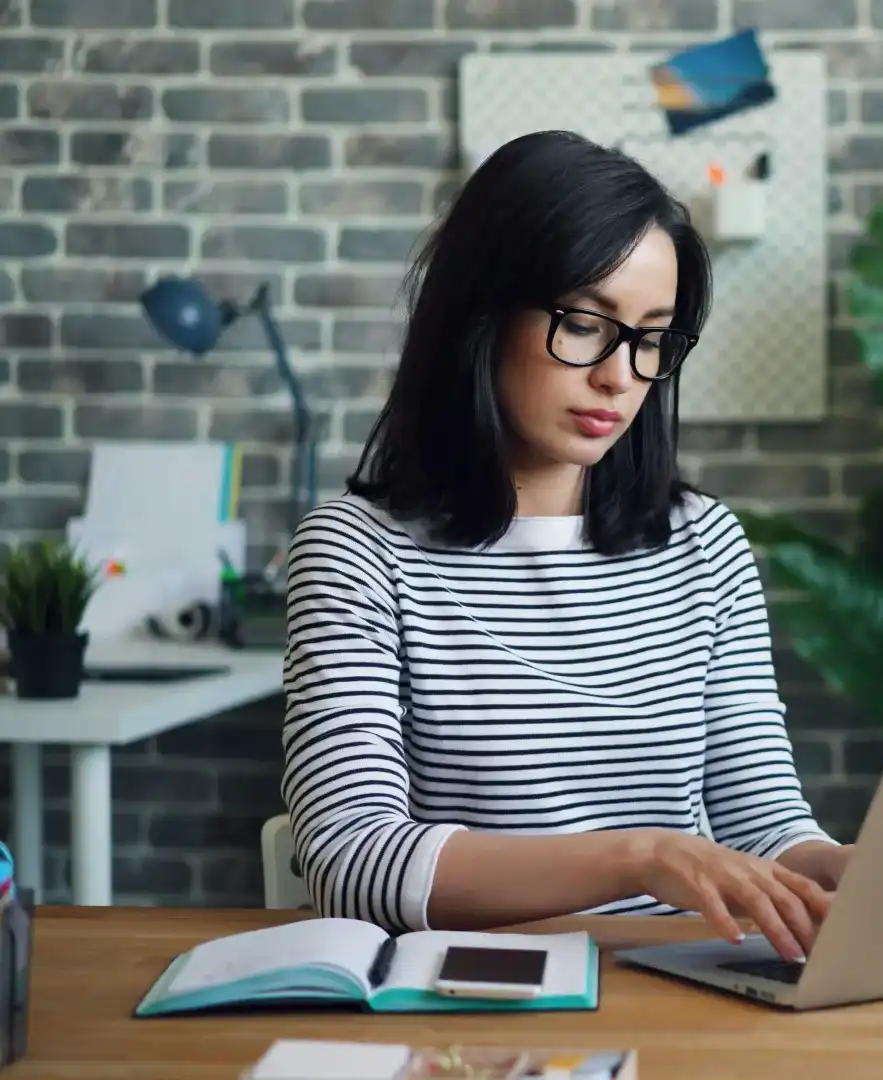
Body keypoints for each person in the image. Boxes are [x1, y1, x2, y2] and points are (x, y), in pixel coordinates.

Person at [279, 130, 846, 964]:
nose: (621, 377)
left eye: (652, 338)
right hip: (465, 1001)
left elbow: (764, 823)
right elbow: (349, 858)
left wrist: (848, 870)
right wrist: (643, 856)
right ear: (481, 313)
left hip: (684, 994)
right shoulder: (358, 551)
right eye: (586, 324)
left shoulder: (704, 545)